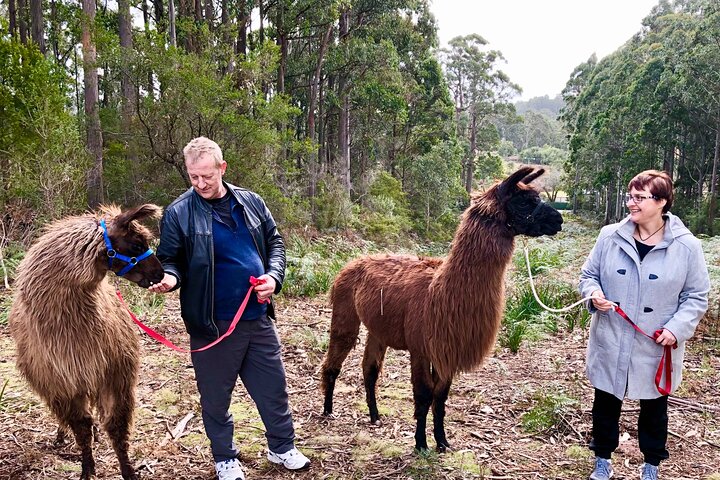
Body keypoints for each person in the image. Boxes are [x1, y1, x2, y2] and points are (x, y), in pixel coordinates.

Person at [149, 137, 310, 480]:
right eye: (193, 177)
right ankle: (225, 457)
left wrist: (273, 277)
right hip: (212, 325)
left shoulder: (251, 201)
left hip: (257, 318)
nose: (200, 183)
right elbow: (171, 260)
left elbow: (276, 243)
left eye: (207, 175)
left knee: (273, 390)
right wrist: (170, 280)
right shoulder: (179, 212)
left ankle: (281, 447)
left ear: (222, 168)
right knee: (216, 398)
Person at [579, 170, 709, 480]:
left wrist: (676, 329)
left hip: (655, 345)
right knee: (605, 403)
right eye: (629, 196)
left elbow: (697, 296)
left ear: (661, 202)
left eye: (639, 198)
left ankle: (651, 465)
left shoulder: (687, 247)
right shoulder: (609, 236)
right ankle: (602, 460)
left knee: (654, 409)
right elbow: (588, 276)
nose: (631, 204)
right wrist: (594, 294)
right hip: (610, 338)